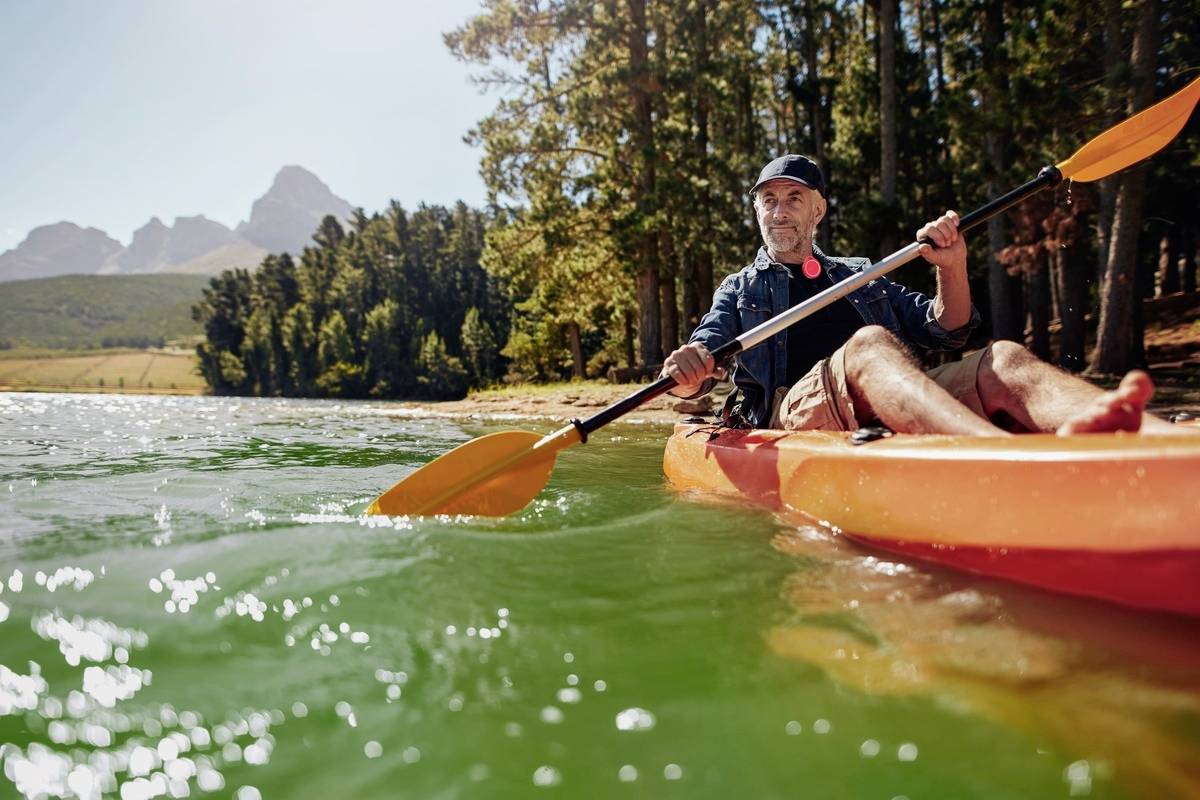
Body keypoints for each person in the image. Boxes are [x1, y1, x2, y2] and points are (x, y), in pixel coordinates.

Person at [663, 153, 1182, 436]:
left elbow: (948, 328)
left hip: (877, 402)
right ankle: (996, 458)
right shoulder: (739, 289)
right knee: (868, 346)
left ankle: (1161, 440)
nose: (778, 210)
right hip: (792, 413)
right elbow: (696, 370)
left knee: (1002, 358)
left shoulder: (861, 276)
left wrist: (952, 266)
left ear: (817, 210)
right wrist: (687, 373)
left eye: (793, 197)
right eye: (768, 200)